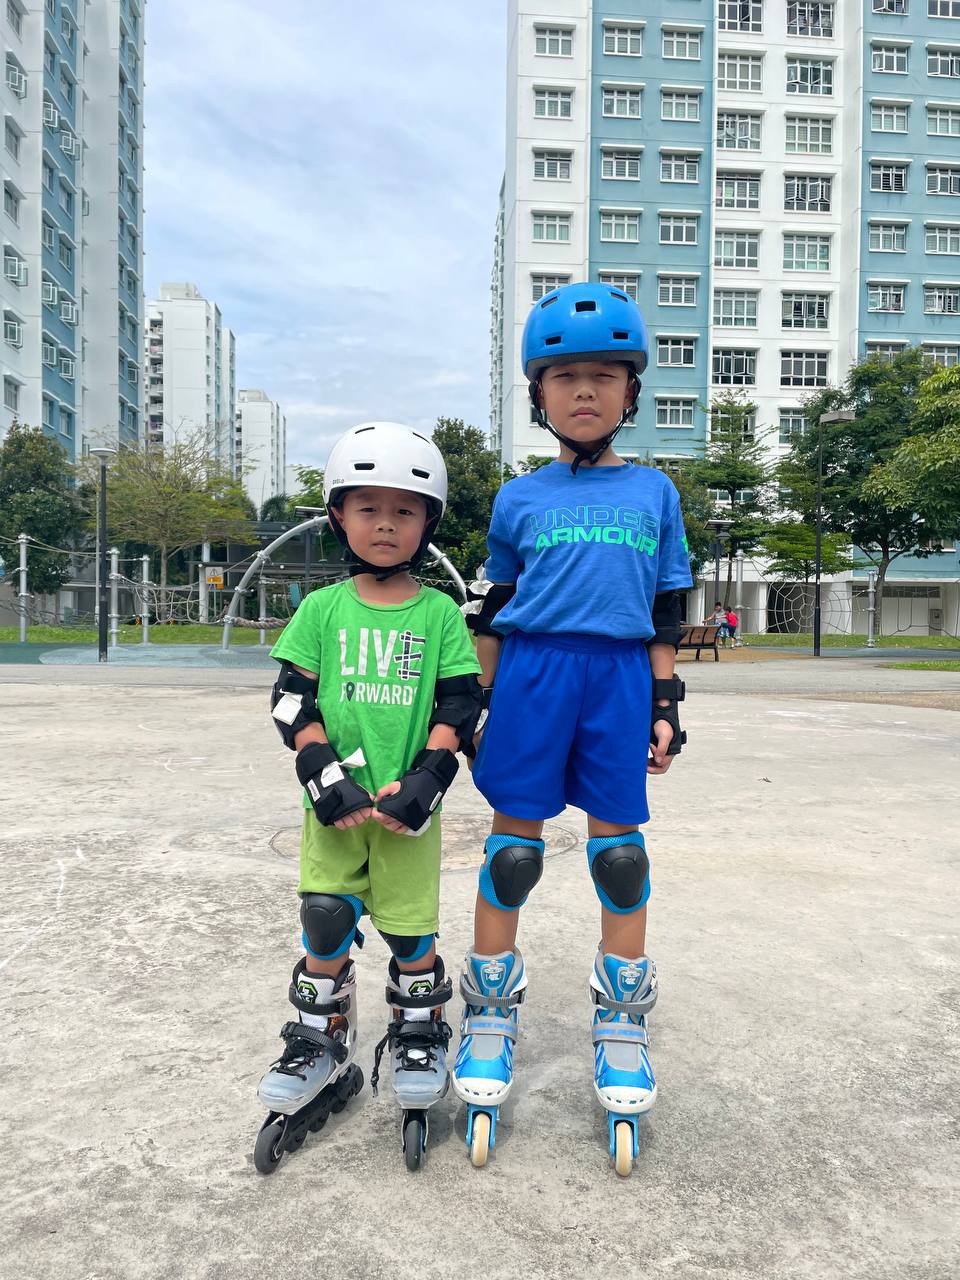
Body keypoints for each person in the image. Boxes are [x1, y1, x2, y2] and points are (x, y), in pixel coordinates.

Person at [453, 282, 693, 1176]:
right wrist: (475, 701)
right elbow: (495, 607)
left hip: (620, 676)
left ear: (631, 392)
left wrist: (666, 704)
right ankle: (488, 1012)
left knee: (619, 854)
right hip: (533, 673)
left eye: (603, 375)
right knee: (512, 851)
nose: (584, 392)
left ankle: (622, 1022)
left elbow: (668, 604)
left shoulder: (656, 492)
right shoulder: (518, 498)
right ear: (537, 394)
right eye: (565, 378)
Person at [254, 421, 483, 1174]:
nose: (386, 524)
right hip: (337, 813)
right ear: (338, 519)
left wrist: (427, 779)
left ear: (427, 524)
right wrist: (322, 775)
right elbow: (291, 702)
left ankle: (418, 1030)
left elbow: (460, 707)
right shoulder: (322, 610)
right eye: (368, 508)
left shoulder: (440, 615)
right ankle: (320, 1041)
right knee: (325, 924)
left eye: (404, 510)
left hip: (406, 820)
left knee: (413, 938)